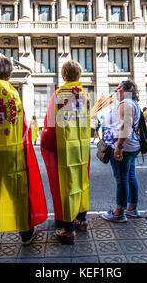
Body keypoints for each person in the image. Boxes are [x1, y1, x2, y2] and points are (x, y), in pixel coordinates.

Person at [0, 57, 47, 255]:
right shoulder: (12, 93)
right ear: (10, 74)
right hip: (11, 152)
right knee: (17, 193)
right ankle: (26, 233)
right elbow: (21, 126)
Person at [41, 60, 91, 244]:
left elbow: (51, 124)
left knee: (68, 186)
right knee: (82, 182)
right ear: (79, 76)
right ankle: (82, 219)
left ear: (64, 75)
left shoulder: (60, 94)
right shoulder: (85, 95)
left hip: (65, 148)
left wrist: (45, 144)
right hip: (82, 147)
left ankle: (68, 229)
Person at [101, 80, 141, 223]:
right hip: (131, 146)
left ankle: (119, 212)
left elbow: (126, 125)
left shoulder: (127, 104)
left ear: (125, 91)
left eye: (118, 88)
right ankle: (132, 208)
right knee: (130, 176)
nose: (116, 91)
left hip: (124, 146)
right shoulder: (131, 103)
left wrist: (119, 147)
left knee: (121, 179)